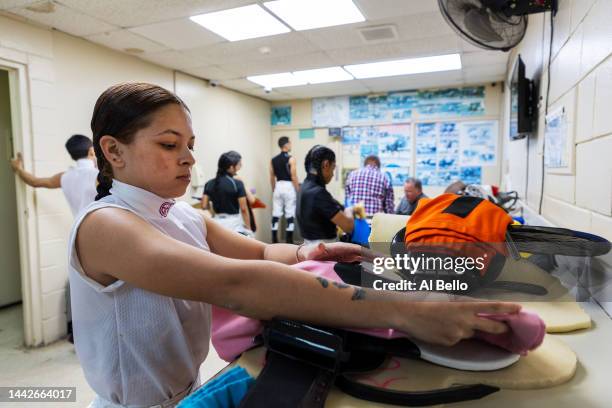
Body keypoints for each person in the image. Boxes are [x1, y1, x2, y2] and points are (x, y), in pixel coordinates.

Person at [70, 82, 519, 407]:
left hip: (188, 390)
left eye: (190, 144)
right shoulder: (107, 225)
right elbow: (236, 284)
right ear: (113, 150)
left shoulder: (182, 214)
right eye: (169, 144)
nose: (188, 157)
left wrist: (309, 252)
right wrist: (404, 309)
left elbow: (263, 253)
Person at [11, 134, 98, 216]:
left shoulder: (64, 177)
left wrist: (19, 169)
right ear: (91, 151)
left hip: (78, 229)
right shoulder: (99, 175)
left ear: (72, 156)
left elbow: (35, 182)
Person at [297, 145, 364, 244]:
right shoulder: (318, 193)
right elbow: (348, 227)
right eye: (333, 169)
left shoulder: (303, 187)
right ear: (326, 165)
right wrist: (349, 210)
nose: (333, 174)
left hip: (309, 245)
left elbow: (329, 205)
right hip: (325, 249)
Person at [202, 151, 253, 237]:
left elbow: (204, 206)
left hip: (216, 223)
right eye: (239, 164)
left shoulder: (209, 183)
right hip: (234, 224)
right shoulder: (237, 183)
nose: (240, 167)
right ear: (231, 167)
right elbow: (244, 209)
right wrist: (249, 229)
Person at [270, 136, 299, 244]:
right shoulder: (291, 159)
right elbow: (294, 177)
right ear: (286, 145)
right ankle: (289, 240)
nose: (291, 145)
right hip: (288, 187)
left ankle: (274, 239)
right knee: (290, 213)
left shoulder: (273, 160)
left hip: (278, 186)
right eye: (290, 143)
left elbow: (272, 176)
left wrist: (273, 189)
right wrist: (298, 190)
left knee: (276, 213)